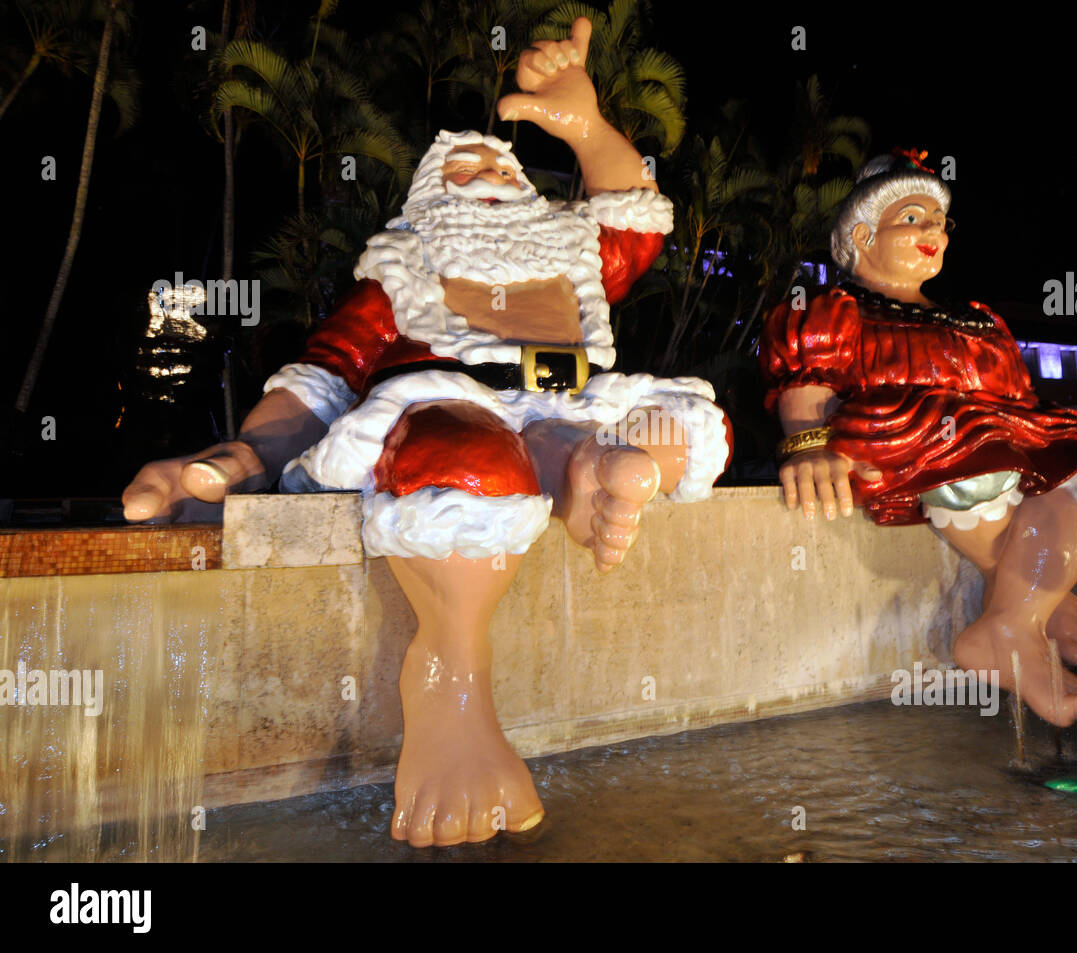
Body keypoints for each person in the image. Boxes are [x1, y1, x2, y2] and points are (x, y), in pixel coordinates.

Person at [122, 18, 731, 847]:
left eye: (501, 165)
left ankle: (591, 467)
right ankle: (454, 700)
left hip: (575, 401)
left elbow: (635, 219)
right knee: (470, 464)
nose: (486, 175)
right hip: (454, 405)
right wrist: (251, 454)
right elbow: (325, 374)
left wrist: (585, 127)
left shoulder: (570, 255)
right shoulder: (403, 274)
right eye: (463, 166)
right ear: (424, 198)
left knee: (682, 421)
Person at [760, 149, 1077, 733]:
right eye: (914, 219)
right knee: (980, 447)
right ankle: (1036, 609)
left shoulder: (979, 322)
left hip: (992, 434)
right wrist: (808, 440)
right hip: (906, 440)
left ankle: (1021, 612)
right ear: (863, 235)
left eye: (941, 225)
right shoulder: (836, 311)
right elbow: (807, 382)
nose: (934, 235)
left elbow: (1022, 408)